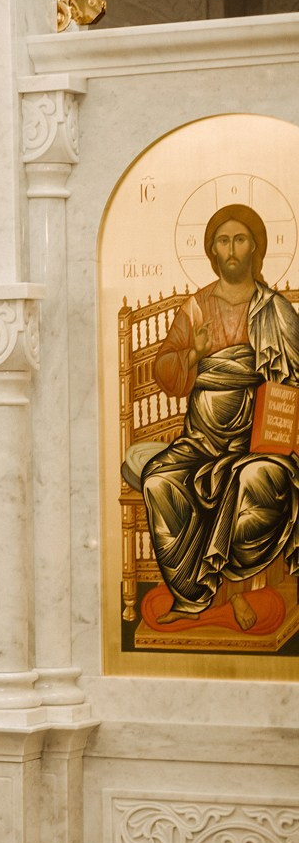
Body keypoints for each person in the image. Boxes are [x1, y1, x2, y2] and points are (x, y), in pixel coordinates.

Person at [140, 203, 299, 629]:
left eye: (240, 239)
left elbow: (293, 385)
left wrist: (275, 434)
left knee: (254, 480)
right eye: (223, 241)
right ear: (212, 251)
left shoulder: (276, 311)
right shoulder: (196, 308)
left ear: (256, 249)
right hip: (202, 441)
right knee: (158, 478)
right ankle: (193, 595)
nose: (232, 249)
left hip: (260, 443)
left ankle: (234, 589)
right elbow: (164, 369)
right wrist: (193, 353)